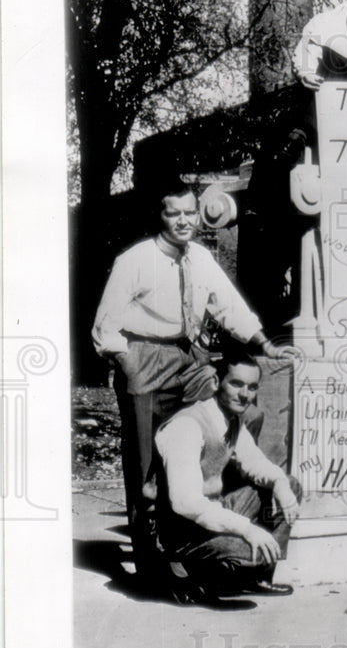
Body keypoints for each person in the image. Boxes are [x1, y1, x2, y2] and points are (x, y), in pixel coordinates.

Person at [92, 187, 282, 557]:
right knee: (146, 464)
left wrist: (265, 344)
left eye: (190, 213)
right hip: (145, 357)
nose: (184, 222)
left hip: (191, 357)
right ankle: (149, 557)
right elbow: (105, 326)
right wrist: (128, 362)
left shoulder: (201, 259)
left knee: (237, 418)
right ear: (159, 217)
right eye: (174, 214)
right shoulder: (134, 260)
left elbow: (230, 307)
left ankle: (210, 526)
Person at [154, 354, 301, 603]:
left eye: (252, 387)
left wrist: (280, 483)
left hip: (212, 513)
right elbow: (185, 503)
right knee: (253, 552)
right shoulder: (187, 425)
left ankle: (255, 576)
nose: (245, 394)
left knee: (289, 484)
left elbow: (254, 462)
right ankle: (193, 574)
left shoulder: (231, 419)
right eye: (236, 384)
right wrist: (246, 529)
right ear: (216, 382)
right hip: (182, 532)